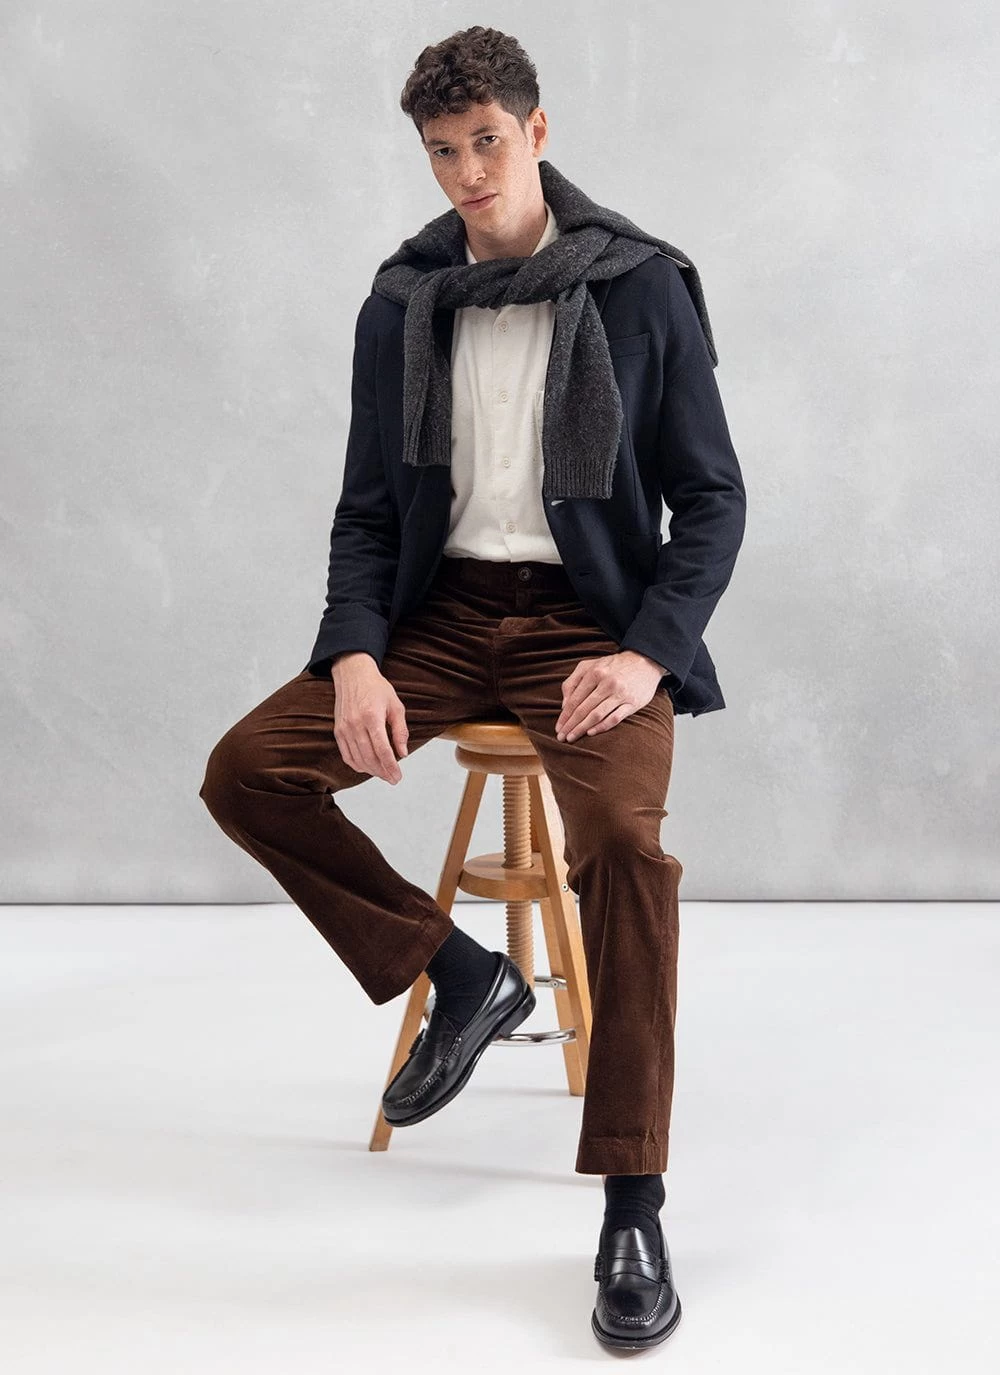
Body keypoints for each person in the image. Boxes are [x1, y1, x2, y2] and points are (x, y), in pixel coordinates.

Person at [199, 24, 746, 1351]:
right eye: (443, 152)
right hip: (440, 614)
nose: (468, 174)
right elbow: (366, 510)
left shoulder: (639, 286)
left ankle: (632, 1200)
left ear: (537, 132)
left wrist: (646, 652)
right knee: (247, 772)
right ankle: (460, 970)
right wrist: (355, 654)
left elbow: (713, 500)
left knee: (623, 851)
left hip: (588, 624)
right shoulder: (405, 300)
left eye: (488, 143)